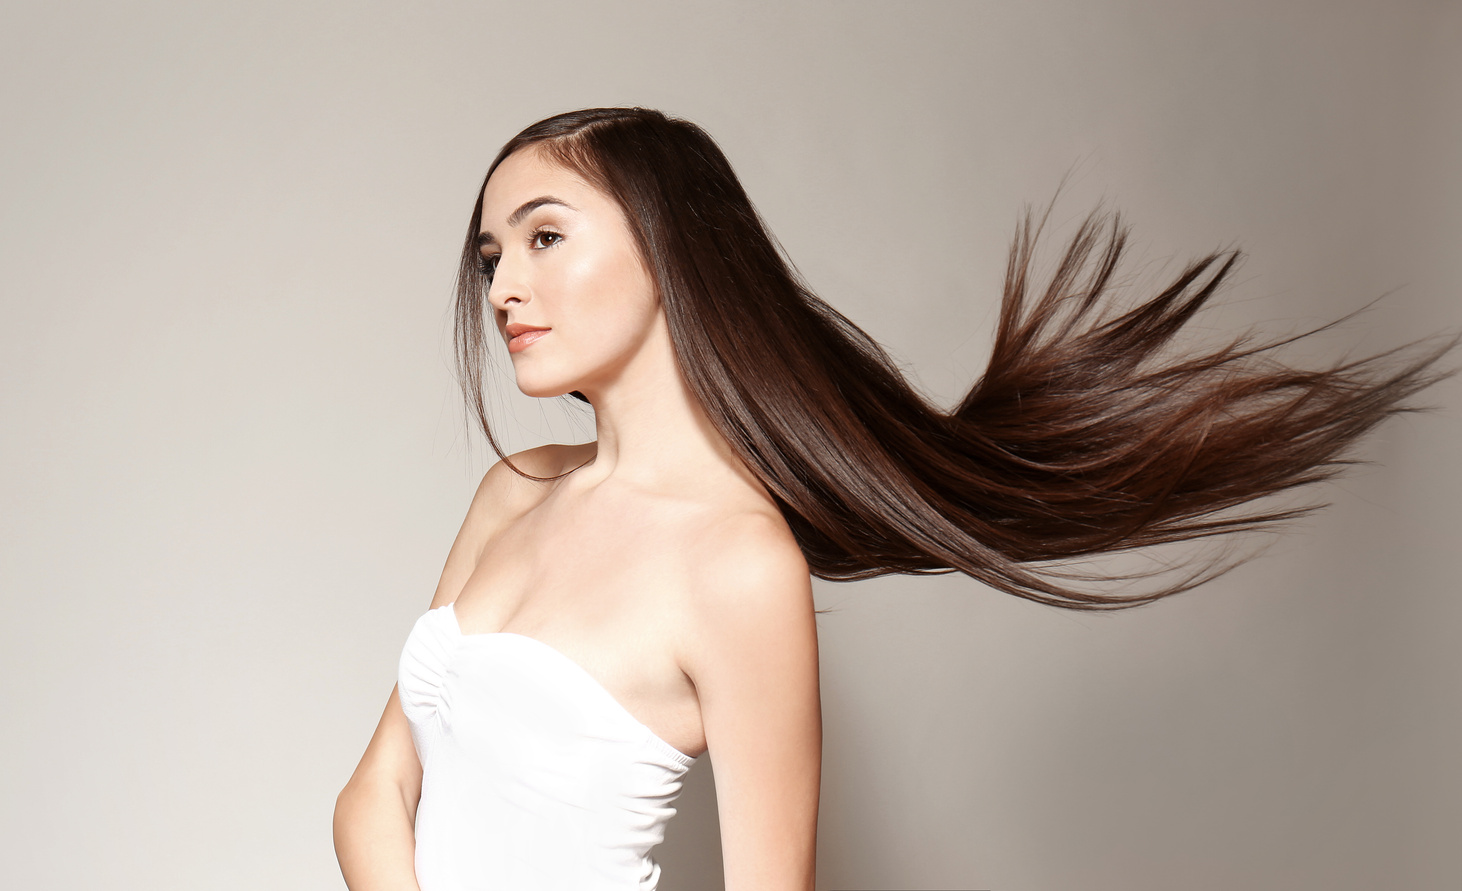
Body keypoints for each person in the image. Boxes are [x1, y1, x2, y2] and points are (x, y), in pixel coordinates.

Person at [332, 107, 1452, 891]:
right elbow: (374, 793)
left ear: (668, 256)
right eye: (490, 257)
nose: (505, 287)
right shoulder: (512, 494)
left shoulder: (735, 567)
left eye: (542, 236)